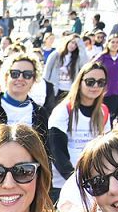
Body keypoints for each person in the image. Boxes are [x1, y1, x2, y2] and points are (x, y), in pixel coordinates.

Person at [48, 62, 112, 200]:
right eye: (90, 81)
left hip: (93, 182)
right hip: (64, 183)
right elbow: (56, 150)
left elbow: (106, 148)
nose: (95, 86)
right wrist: (74, 178)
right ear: (80, 81)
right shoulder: (64, 110)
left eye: (101, 82)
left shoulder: (104, 111)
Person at [0, 52, 48, 144]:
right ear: (6, 76)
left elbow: (45, 150)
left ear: (34, 79)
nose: (20, 78)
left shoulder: (40, 113)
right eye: (15, 73)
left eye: (27, 74)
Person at [43, 35, 88, 105]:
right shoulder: (56, 54)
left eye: (76, 44)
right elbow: (47, 71)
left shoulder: (77, 58)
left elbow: (85, 65)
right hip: (55, 89)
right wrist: (47, 86)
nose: (73, 45)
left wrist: (81, 47)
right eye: (72, 42)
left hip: (69, 89)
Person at [97, 35, 118, 118]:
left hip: (114, 92)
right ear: (108, 43)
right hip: (101, 92)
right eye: (113, 42)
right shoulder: (102, 57)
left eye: (117, 42)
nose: (115, 44)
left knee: (111, 116)